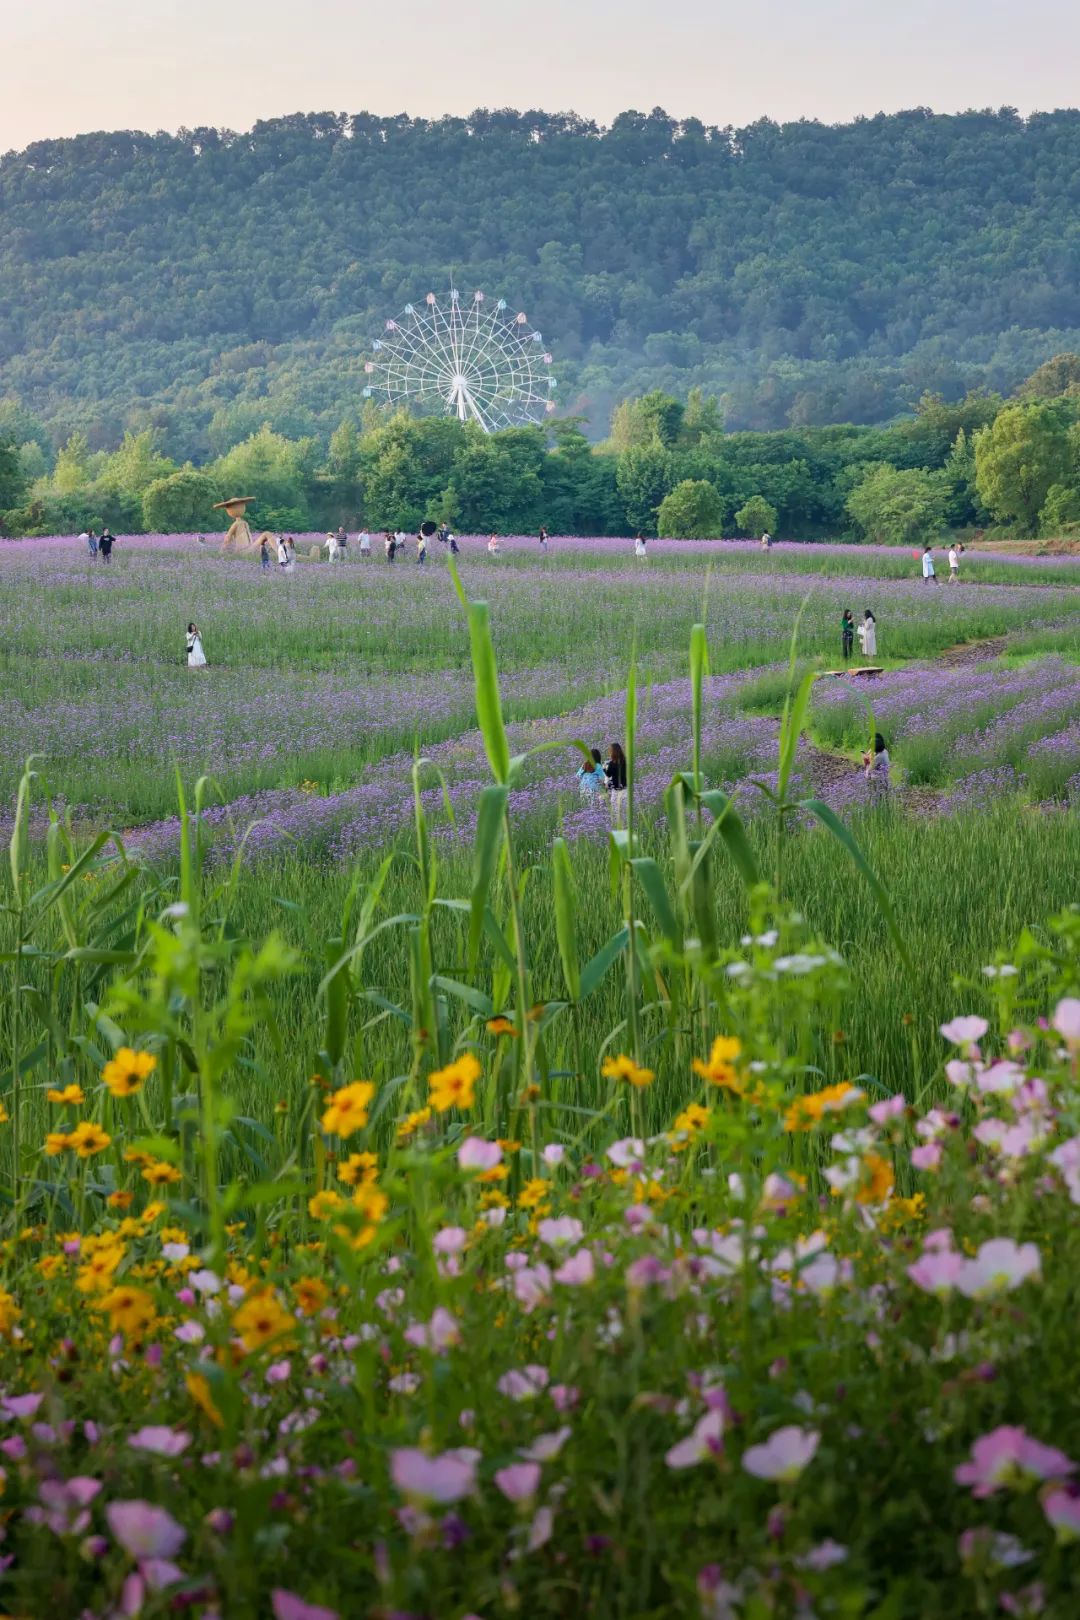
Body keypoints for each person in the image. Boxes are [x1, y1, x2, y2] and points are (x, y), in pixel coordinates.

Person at [604, 742, 628, 821]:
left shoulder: (611, 763)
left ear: (613, 752)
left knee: (615, 813)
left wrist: (604, 768)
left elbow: (608, 775)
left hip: (616, 790)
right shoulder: (626, 761)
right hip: (625, 790)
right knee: (624, 813)